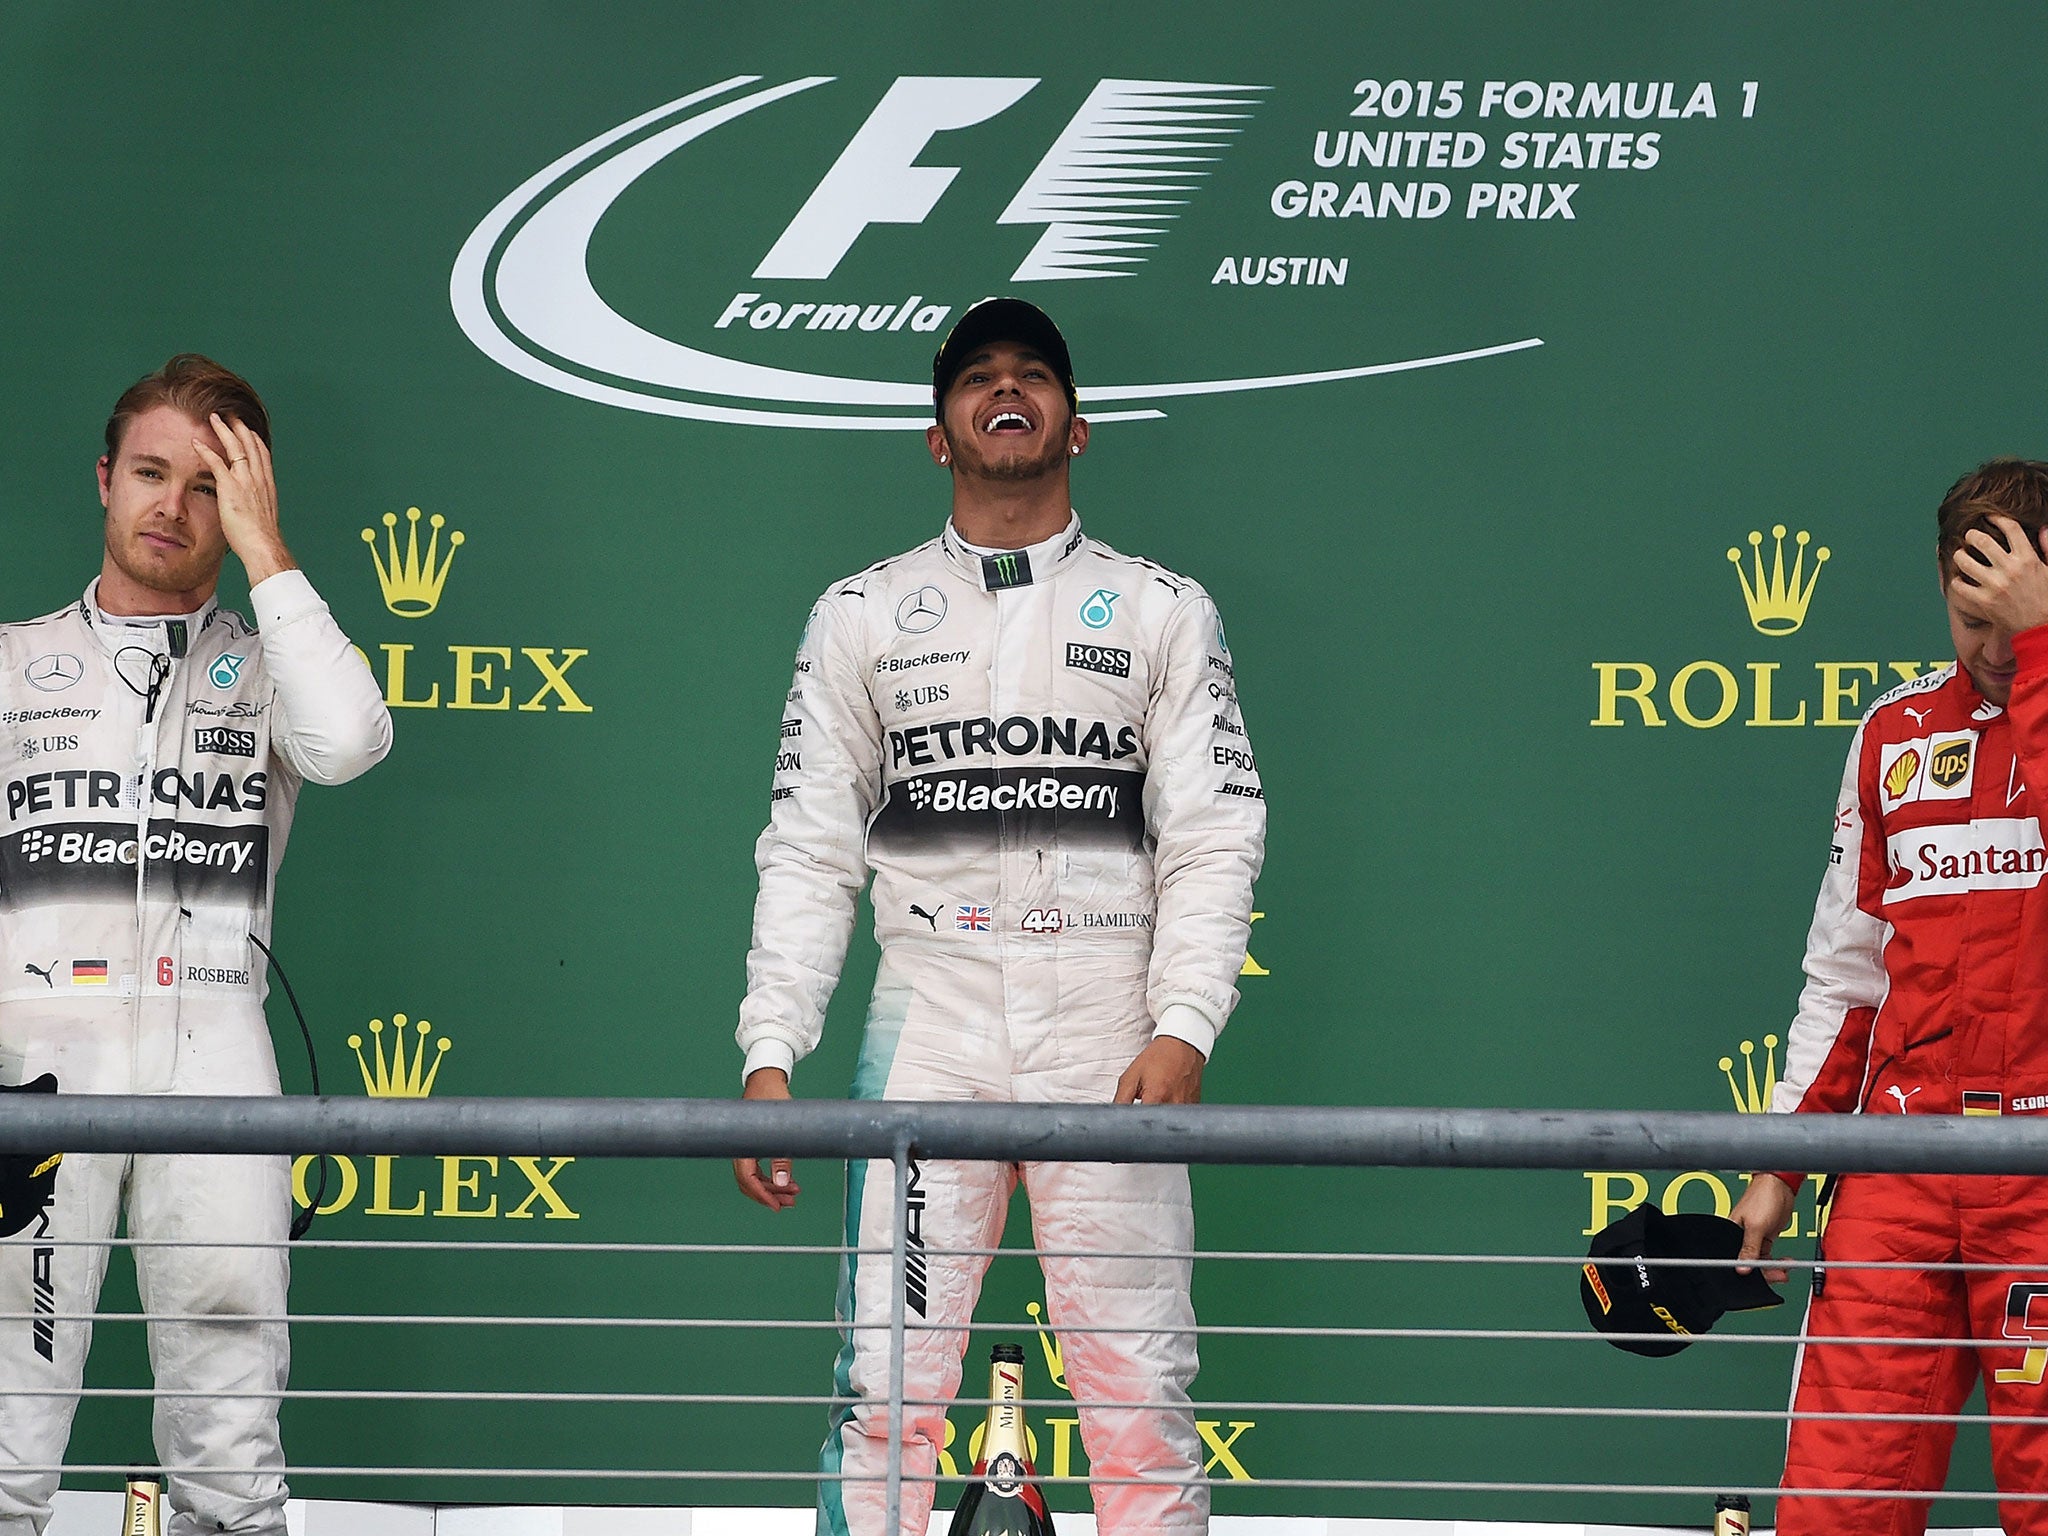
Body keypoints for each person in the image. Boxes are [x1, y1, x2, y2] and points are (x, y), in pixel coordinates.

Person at [732, 298, 1265, 1536]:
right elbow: (808, 846)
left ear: (1076, 425)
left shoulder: (1159, 608)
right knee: (883, 1397)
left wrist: (1184, 1021)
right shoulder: (858, 614)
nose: (1006, 390)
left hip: (1109, 1025)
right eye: (977, 378)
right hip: (926, 1023)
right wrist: (770, 1051)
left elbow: (1214, 832)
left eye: (1033, 375)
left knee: (1139, 1399)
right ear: (938, 434)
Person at [0, 355, 392, 1536]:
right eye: (152, 474)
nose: (172, 506)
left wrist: (271, 560)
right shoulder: (12, 661)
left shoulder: (277, 664)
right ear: (105, 480)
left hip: (217, 1059)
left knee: (230, 1437)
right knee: (5, 1419)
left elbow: (351, 745)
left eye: (209, 485)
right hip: (29, 1069)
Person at [1730, 457, 2048, 1534]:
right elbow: (1846, 975)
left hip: (2044, 1176)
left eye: (2012, 620)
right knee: (1838, 1504)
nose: (1990, 650)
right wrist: (1779, 1159)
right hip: (1897, 1173)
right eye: (1968, 619)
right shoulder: (1892, 734)